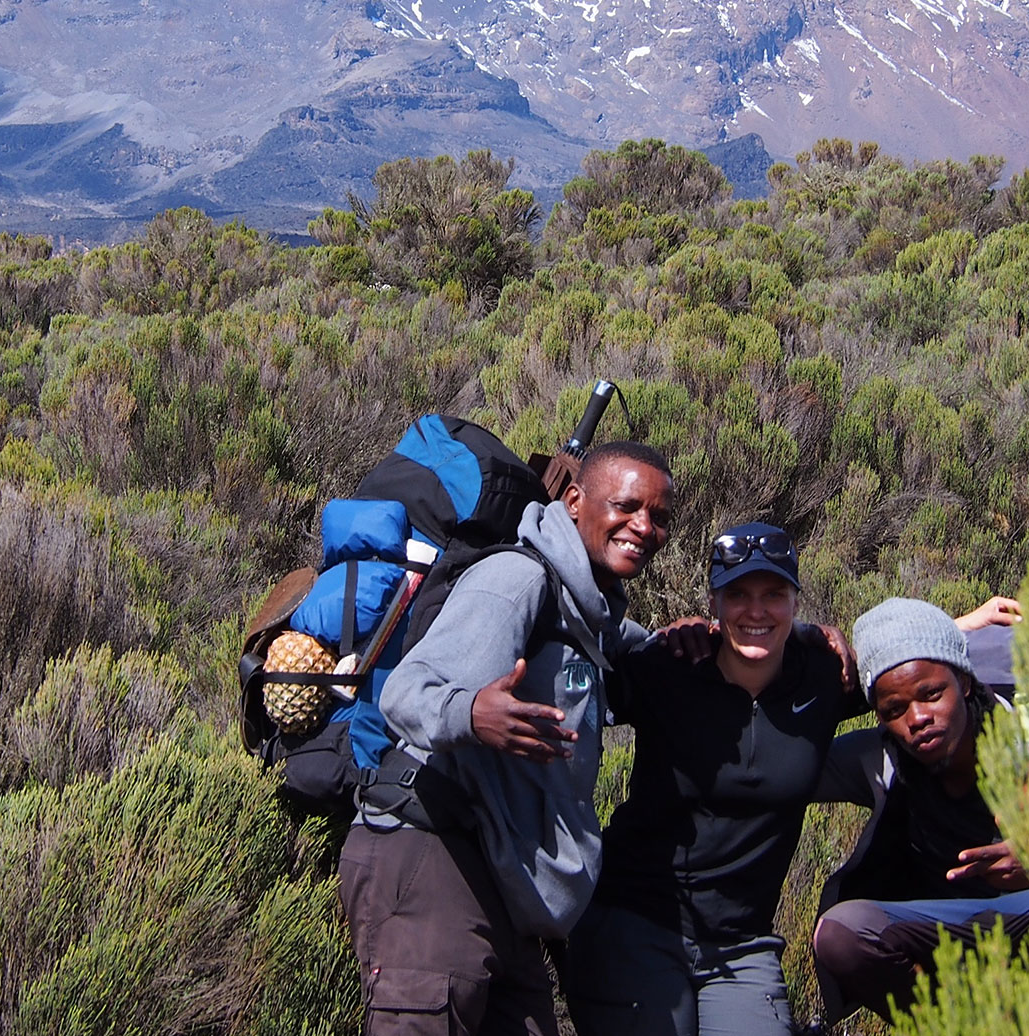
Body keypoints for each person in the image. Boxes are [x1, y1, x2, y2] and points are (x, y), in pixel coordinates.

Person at [339, 440, 676, 1036]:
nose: (643, 527)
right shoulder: (516, 582)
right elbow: (406, 695)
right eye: (627, 506)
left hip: (500, 875)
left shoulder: (586, 613)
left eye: (659, 516)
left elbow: (644, 651)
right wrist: (472, 714)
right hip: (434, 854)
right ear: (574, 502)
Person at [560, 522, 862, 1036]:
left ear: (796, 601)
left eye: (774, 594)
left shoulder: (826, 677)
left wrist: (971, 623)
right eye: (738, 595)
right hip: (635, 922)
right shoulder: (671, 667)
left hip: (742, 943)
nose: (757, 611)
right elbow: (576, 651)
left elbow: (915, 669)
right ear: (714, 604)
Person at [809, 596, 1029, 1025]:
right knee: (843, 933)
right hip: (950, 932)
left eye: (932, 694)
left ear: (965, 683)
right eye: (894, 709)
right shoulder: (880, 759)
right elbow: (774, 765)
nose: (918, 719)